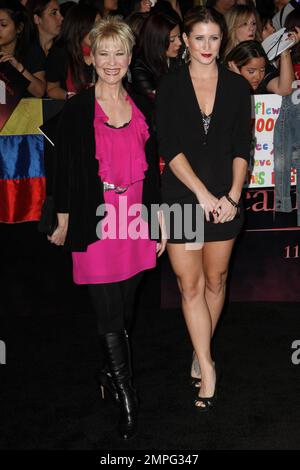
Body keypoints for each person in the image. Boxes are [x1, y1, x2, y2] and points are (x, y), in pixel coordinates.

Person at [48, 15, 165, 439]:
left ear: (130, 56)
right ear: (91, 58)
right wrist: (62, 218)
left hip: (134, 216)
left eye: (119, 53)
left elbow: (154, 172)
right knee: (109, 312)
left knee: (126, 307)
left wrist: (158, 221)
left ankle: (106, 372)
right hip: (95, 218)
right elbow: (62, 169)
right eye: (104, 53)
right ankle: (127, 395)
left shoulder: (142, 105)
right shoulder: (78, 108)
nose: (112, 61)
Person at [156, 6, 252, 411]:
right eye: (199, 38)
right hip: (182, 198)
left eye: (214, 38)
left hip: (225, 202)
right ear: (185, 41)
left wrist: (232, 195)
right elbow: (170, 148)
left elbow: (240, 148)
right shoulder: (171, 86)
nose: (207, 46)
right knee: (189, 285)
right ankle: (208, 367)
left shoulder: (236, 87)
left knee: (216, 280)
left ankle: (202, 348)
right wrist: (201, 194)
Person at [46, 3, 99, 99]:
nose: (98, 31)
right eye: (92, 26)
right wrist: (71, 97)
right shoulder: (61, 52)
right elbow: (52, 88)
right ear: (79, 27)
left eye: (100, 26)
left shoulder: (108, 50)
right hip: (72, 108)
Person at [225, 33, 300, 94]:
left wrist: (284, 50)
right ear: (234, 66)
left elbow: (286, 89)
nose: (258, 76)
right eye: (251, 71)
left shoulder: (264, 70)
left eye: (262, 70)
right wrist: (237, 81)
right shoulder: (221, 80)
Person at [131, 12, 182, 99]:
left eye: (179, 37)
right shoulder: (140, 70)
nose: (179, 43)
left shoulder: (178, 57)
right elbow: (161, 102)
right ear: (156, 41)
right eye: (172, 40)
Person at [0, 0, 46, 97]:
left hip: (25, 110)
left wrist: (19, 68)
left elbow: (39, 92)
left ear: (19, 28)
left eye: (3, 25)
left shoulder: (32, 51)